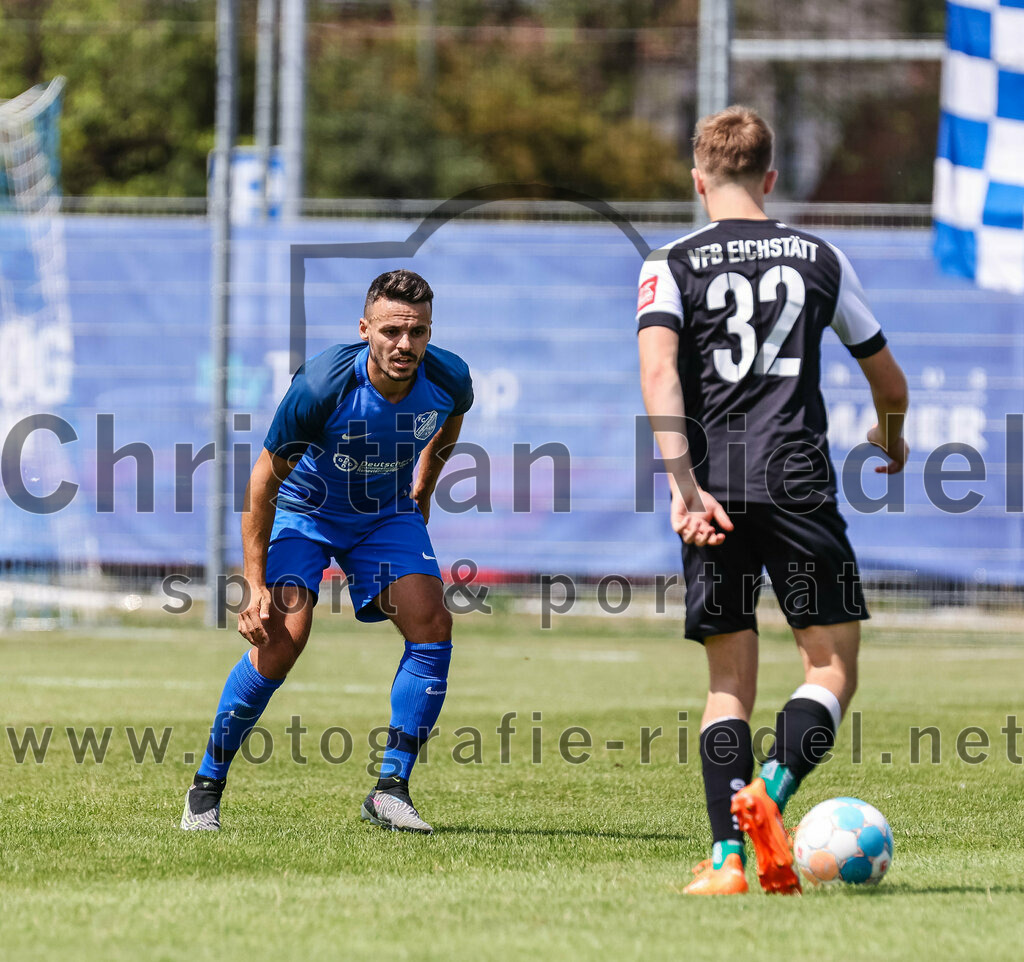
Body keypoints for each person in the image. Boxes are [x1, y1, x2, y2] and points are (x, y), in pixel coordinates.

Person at [636, 106, 909, 894]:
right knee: (830, 664)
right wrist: (889, 438)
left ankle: (725, 860)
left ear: (698, 180)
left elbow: (660, 377)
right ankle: (771, 794)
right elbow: (887, 382)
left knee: (728, 687)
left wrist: (685, 487)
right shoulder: (820, 255)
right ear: (772, 177)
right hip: (796, 482)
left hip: (712, 488)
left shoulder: (669, 261)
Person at [181, 269, 473, 835]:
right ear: (365, 328)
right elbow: (263, 482)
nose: (405, 345)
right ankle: (206, 786)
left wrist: (423, 490)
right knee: (283, 637)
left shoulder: (450, 379)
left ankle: (390, 790)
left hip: (385, 516)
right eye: (391, 331)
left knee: (432, 622)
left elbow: (450, 423)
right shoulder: (321, 386)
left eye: (417, 332)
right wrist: (254, 585)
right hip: (305, 513)